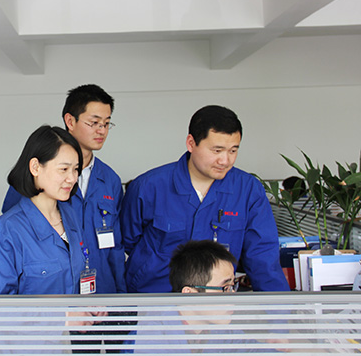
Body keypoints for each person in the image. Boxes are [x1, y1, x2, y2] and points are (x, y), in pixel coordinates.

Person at [121, 105, 289, 293]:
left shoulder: (248, 190)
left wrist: (280, 307)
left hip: (214, 300)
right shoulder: (149, 187)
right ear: (191, 143)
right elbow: (127, 242)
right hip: (152, 297)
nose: (225, 161)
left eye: (233, 151)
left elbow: (262, 256)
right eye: (217, 150)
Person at [1, 84, 125, 295]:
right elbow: (16, 234)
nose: (102, 130)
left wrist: (121, 296)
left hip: (102, 293)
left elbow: (116, 247)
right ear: (70, 121)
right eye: (94, 122)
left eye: (106, 124)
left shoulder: (110, 179)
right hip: (55, 295)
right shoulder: (37, 177)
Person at [0, 125, 86, 295]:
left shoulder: (70, 216)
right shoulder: (8, 230)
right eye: (64, 169)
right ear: (35, 167)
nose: (72, 178)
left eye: (75, 169)